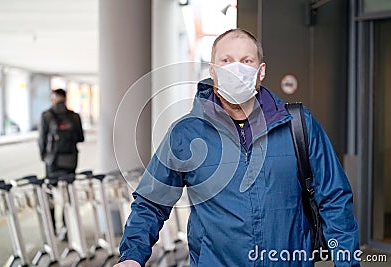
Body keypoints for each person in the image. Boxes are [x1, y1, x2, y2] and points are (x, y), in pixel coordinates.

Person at [115, 29, 360, 266]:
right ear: (213, 70)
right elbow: (151, 202)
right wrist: (131, 256)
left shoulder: (298, 124)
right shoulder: (186, 134)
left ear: (260, 71)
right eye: (226, 60)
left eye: (246, 60)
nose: (236, 69)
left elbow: (334, 198)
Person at [38, 88, 84, 237]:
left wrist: (44, 157)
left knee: (50, 193)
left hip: (53, 161)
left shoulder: (46, 116)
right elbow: (80, 138)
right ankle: (67, 228)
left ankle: (51, 229)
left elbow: (41, 140)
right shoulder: (74, 116)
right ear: (65, 98)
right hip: (70, 160)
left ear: (53, 98)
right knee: (67, 194)